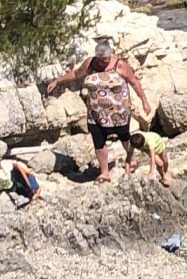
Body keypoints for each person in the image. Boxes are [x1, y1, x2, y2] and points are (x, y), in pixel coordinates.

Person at [42, 36, 153, 183]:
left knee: (124, 137)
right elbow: (76, 73)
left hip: (118, 110)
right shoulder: (90, 63)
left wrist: (144, 101)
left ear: (110, 56)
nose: (102, 62)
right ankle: (104, 172)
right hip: (96, 111)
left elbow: (134, 82)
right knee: (98, 141)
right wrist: (58, 80)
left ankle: (131, 159)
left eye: (105, 60)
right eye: (100, 59)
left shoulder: (120, 65)